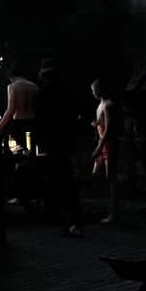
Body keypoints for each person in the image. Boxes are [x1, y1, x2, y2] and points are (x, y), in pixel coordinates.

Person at [36, 58, 84, 237]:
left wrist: (41, 141)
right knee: (69, 182)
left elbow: (39, 121)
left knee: (58, 181)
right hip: (67, 142)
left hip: (52, 143)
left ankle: (66, 219)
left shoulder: (42, 96)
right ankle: (74, 219)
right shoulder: (67, 94)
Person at [90, 78, 121, 223]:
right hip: (102, 142)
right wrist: (96, 124)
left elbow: (109, 129)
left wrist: (98, 148)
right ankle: (104, 208)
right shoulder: (100, 105)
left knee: (111, 178)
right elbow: (103, 124)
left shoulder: (108, 105)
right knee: (96, 174)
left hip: (108, 144)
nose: (93, 92)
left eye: (94, 89)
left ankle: (114, 213)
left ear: (100, 89)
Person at [0, 66, 39, 147]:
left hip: (19, 123)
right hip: (34, 123)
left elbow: (10, 110)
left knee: (19, 151)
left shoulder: (13, 86)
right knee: (34, 150)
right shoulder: (35, 86)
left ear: (11, 77)